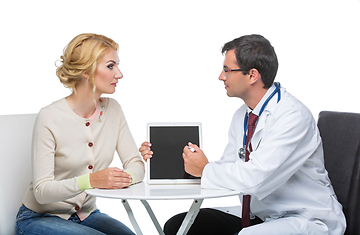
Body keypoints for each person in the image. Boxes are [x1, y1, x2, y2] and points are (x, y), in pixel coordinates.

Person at [139, 34, 346, 235]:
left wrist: (206, 169)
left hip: (304, 217)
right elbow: (231, 167)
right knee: (177, 226)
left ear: (252, 75)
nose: (221, 76)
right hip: (263, 213)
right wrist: (185, 165)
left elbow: (255, 179)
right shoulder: (243, 115)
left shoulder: (291, 115)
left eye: (227, 70)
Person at [15, 33, 145, 235]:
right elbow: (42, 191)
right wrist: (91, 181)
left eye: (117, 65)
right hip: (38, 218)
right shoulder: (50, 117)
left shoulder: (114, 110)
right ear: (87, 71)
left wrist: (118, 179)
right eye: (111, 66)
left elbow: (136, 164)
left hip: (87, 214)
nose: (119, 74)